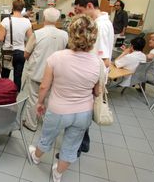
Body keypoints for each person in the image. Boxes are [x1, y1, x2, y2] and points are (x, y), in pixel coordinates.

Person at [28, 15, 100, 182]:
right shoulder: (98, 62)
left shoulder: (57, 57)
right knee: (72, 145)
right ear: (93, 36)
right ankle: (58, 173)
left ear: (71, 34)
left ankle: (36, 157)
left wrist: (39, 103)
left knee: (47, 136)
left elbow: (44, 86)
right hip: (84, 112)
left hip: (58, 109)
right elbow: (96, 91)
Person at [73, 0, 114, 154]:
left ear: (89, 6)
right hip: (93, 77)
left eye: (80, 11)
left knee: (82, 116)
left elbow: (104, 60)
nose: (80, 16)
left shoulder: (101, 26)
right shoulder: (102, 21)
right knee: (84, 115)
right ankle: (84, 142)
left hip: (93, 80)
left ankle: (75, 149)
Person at [23, 7, 68, 132]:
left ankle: (31, 124)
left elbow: (26, 54)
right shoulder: (64, 35)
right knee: (49, 99)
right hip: (55, 74)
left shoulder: (37, 34)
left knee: (33, 98)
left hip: (37, 72)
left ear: (43, 18)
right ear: (57, 19)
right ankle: (48, 125)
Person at [0, 0, 33, 91]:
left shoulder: (5, 20)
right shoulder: (27, 21)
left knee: (5, 76)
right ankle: (15, 97)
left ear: (12, 7)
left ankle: (4, 94)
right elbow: (31, 39)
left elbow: (0, 38)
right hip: (21, 52)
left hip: (8, 52)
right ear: (22, 8)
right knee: (18, 76)